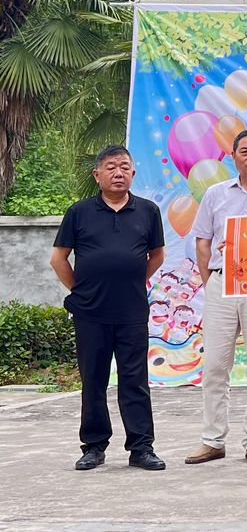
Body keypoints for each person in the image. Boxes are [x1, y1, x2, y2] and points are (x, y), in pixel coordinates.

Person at [51, 145, 167, 472]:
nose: (119, 173)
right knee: (93, 380)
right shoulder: (79, 212)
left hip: (132, 311)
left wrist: (133, 280)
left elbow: (157, 255)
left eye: (124, 167)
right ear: (97, 174)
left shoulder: (148, 211)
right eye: (111, 167)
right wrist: (80, 290)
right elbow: (58, 259)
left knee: (135, 381)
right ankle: (94, 446)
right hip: (90, 312)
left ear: (133, 173)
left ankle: (141, 448)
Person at [186, 128, 247, 465]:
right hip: (221, 286)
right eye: (245, 151)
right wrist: (210, 280)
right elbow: (202, 240)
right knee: (215, 365)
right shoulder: (215, 194)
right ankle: (212, 439)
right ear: (233, 156)